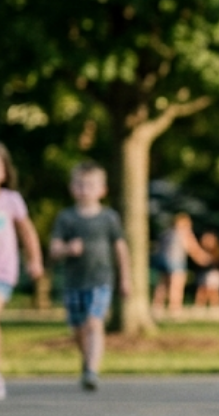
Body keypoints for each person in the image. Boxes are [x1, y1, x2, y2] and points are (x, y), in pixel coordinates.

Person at [48, 161, 131, 391]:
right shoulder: (66, 218)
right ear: (72, 188)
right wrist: (67, 249)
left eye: (91, 185)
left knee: (94, 323)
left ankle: (92, 371)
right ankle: (87, 362)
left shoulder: (109, 218)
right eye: (80, 184)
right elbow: (54, 249)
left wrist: (125, 278)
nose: (85, 189)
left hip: (101, 280)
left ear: (102, 189)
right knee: (78, 329)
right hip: (73, 282)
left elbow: (120, 249)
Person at [0, 143, 45, 399]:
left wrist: (35, 260)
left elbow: (27, 232)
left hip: (3, 270)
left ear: (5, 171)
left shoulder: (10, 200)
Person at [151, 212, 211, 315]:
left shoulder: (167, 233)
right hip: (176, 261)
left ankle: (157, 306)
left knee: (162, 285)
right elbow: (192, 249)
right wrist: (205, 258)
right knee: (176, 285)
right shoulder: (184, 233)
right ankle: (174, 308)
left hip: (162, 261)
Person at [194, 230, 219, 309]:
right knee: (202, 290)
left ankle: (215, 306)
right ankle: (200, 306)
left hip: (213, 274)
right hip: (205, 273)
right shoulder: (201, 251)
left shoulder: (216, 251)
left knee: (213, 291)